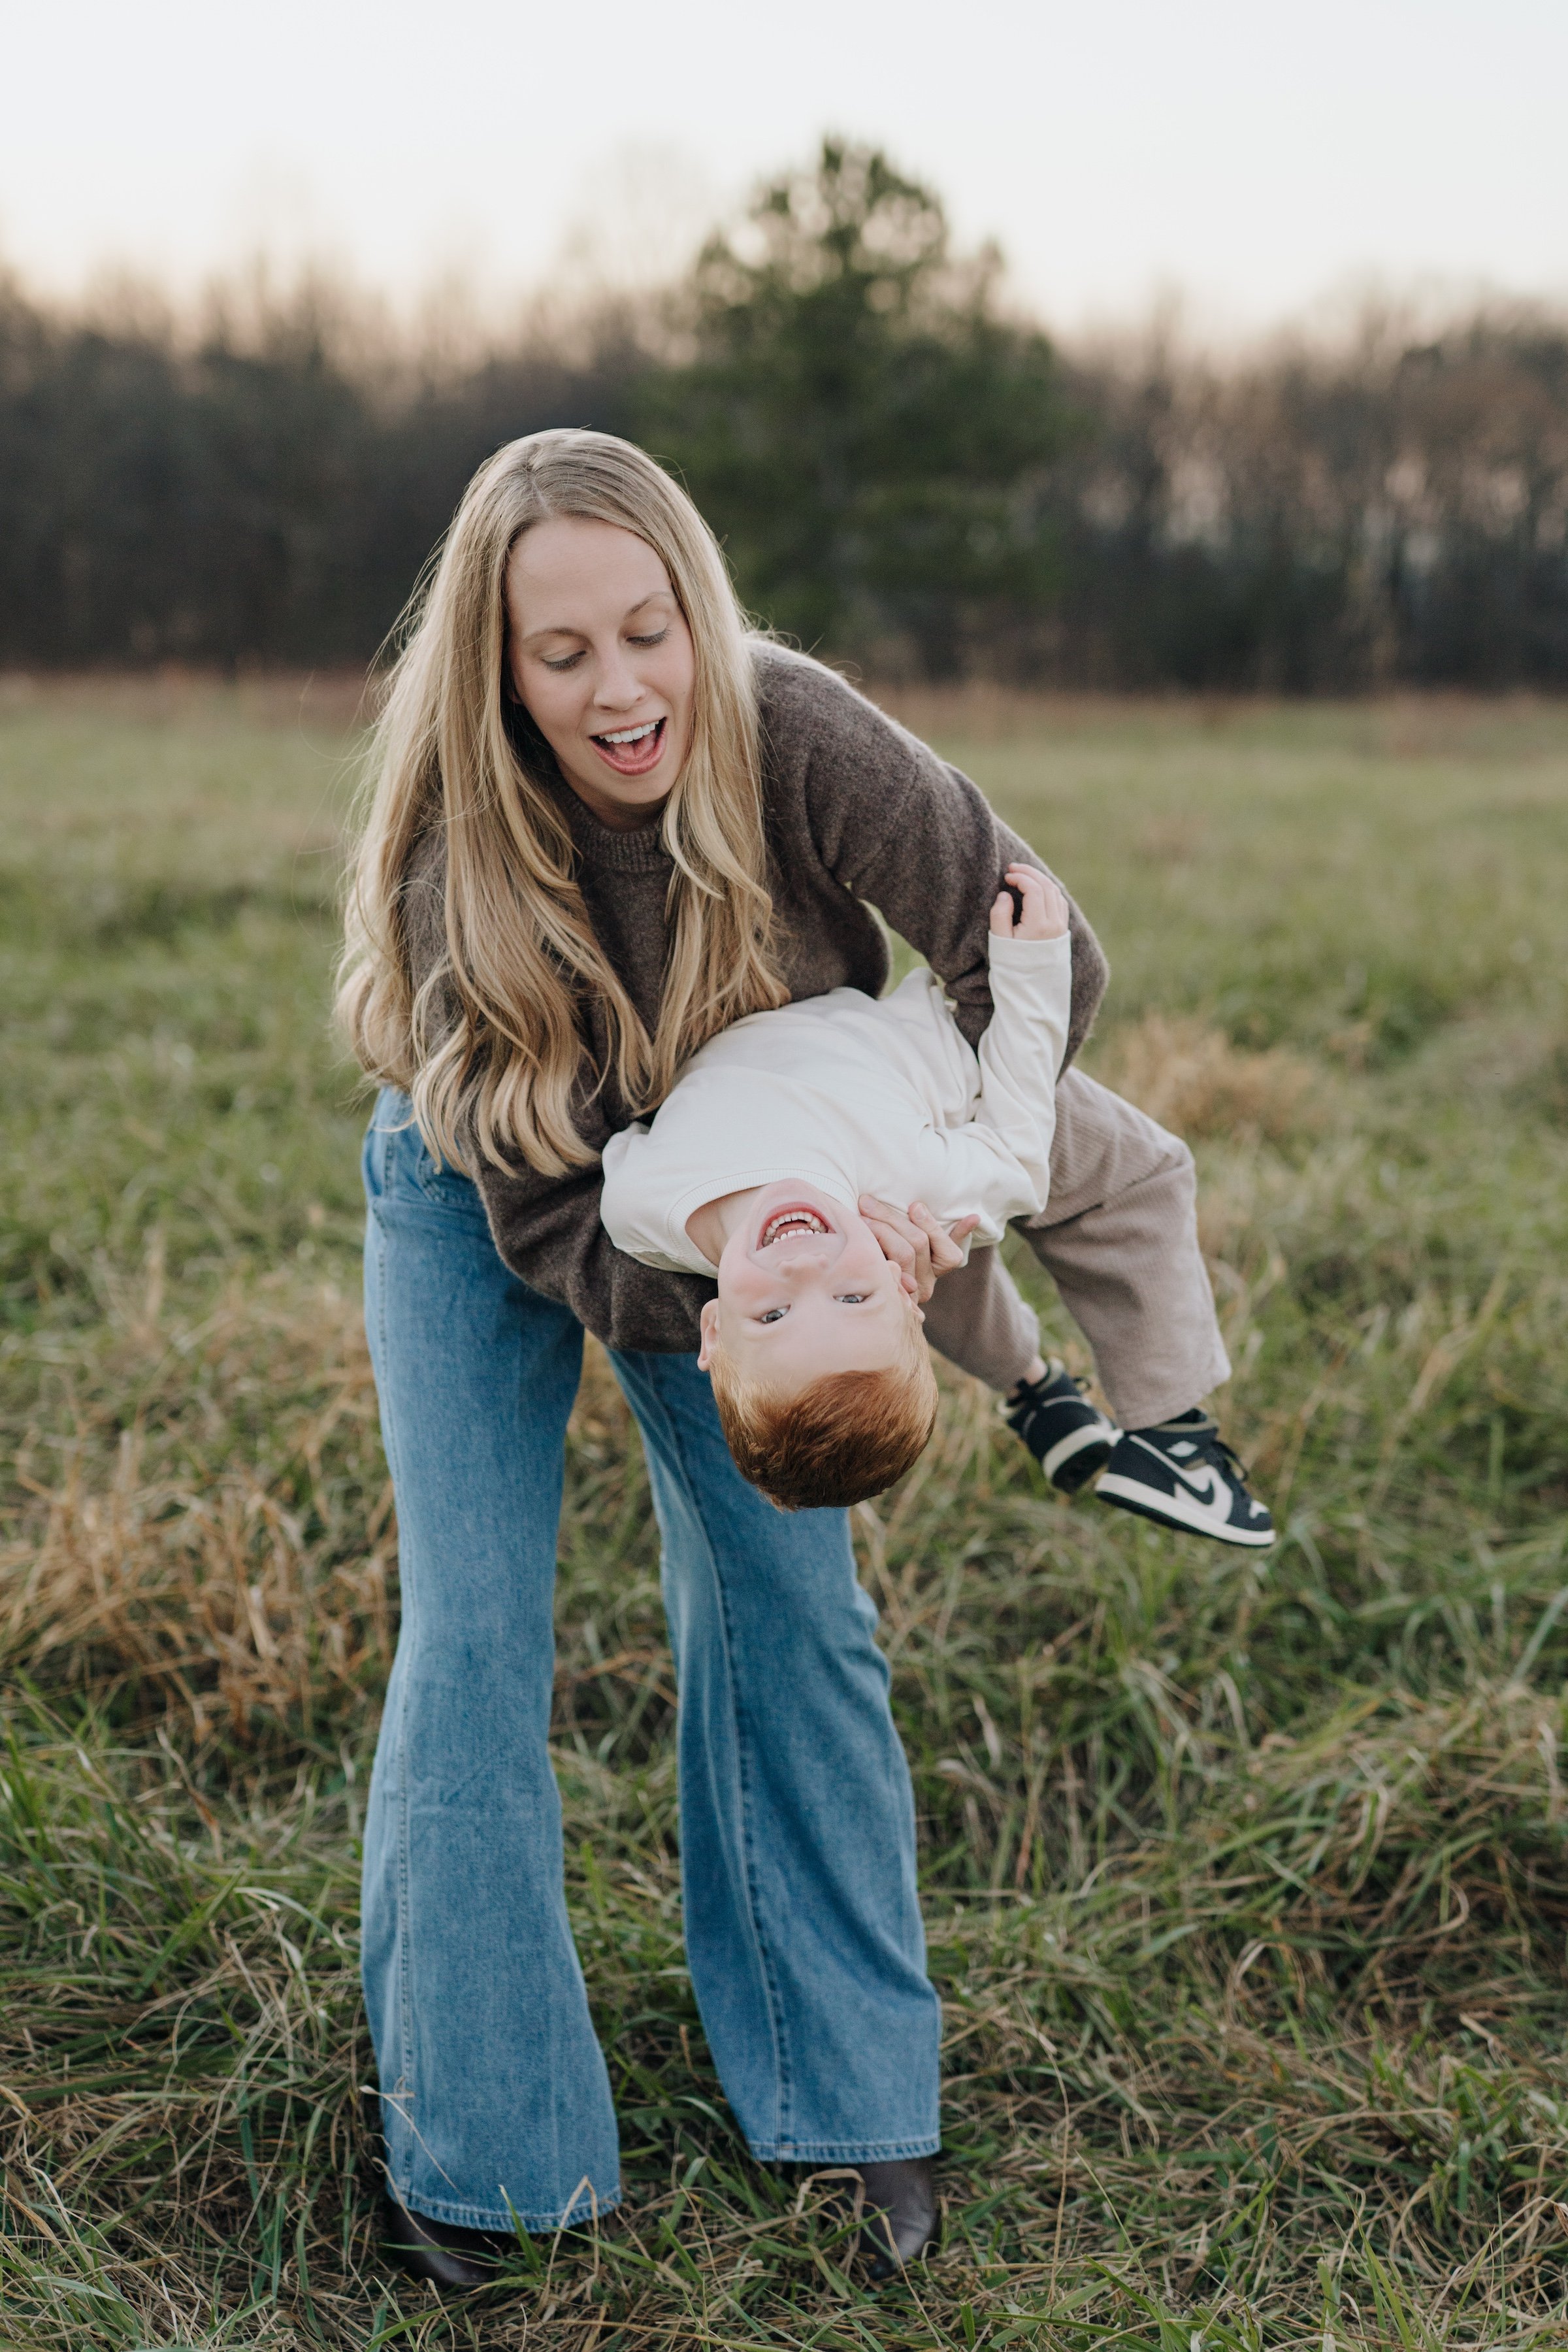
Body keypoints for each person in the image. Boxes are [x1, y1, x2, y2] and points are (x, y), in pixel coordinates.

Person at [337, 427, 1250, 2291]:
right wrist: (758, 1275)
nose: (621, 687)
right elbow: (564, 1229)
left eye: (647, 630)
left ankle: (851, 2096)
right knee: (478, 1630)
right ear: (498, 672)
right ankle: (487, 2153)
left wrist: (903, 1203)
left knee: (792, 1600)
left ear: (701, 609)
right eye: (561, 651)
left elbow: (1038, 954)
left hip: (786, 1193)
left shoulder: (798, 733)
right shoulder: (461, 850)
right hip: (505, 1184)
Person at [601, 863, 1075, 1508]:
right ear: (906, 1287)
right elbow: (1020, 1157)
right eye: (852, 1296)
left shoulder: (641, 1204)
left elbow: (601, 1119)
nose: (802, 1268)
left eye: (772, 1315)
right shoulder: (913, 1190)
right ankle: (1087, 1397)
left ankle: (1051, 1391)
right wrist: (1034, 970)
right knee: (1144, 1181)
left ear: (711, 1330)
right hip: (880, 1018)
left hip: (709, 986)